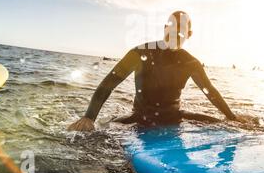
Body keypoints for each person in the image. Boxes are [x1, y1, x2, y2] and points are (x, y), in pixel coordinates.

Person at [68, 11, 240, 132]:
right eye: (171, 28)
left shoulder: (191, 63)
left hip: (175, 117)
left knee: (237, 128)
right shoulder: (140, 52)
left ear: (189, 33)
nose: (174, 33)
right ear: (165, 28)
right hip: (140, 117)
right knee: (92, 135)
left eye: (180, 30)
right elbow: (108, 84)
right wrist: (89, 117)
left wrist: (231, 117)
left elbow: (211, 93)